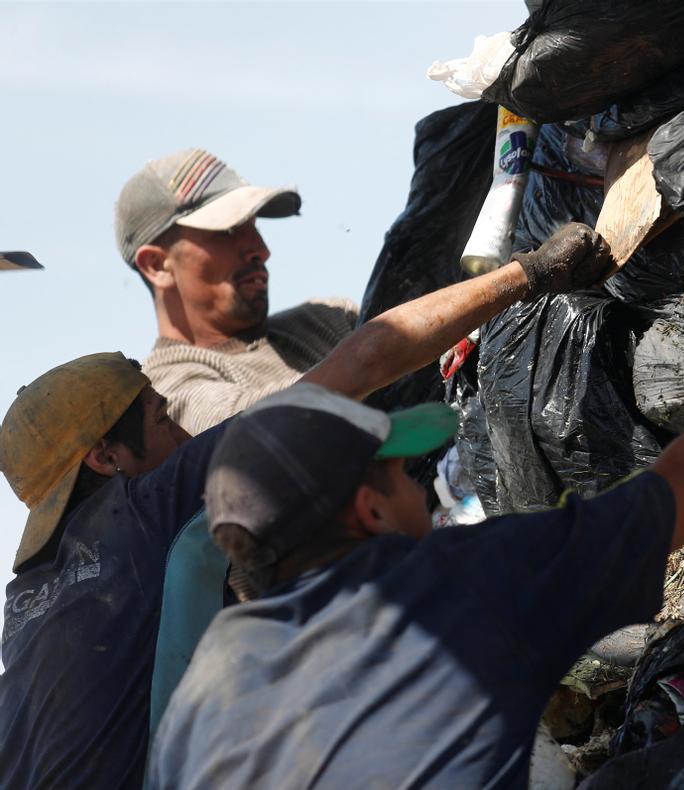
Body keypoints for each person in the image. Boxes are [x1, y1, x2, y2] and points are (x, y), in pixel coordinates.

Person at [148, 287, 684, 789]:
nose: (423, 484)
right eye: (403, 474)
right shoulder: (452, 590)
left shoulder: (201, 694)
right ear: (371, 512)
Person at [0, 223, 612, 790]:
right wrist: (527, 274)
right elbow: (367, 359)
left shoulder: (25, 608)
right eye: (164, 421)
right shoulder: (147, 510)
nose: (184, 439)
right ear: (106, 459)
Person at [115, 148, 357, 435]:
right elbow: (256, 423)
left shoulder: (329, 319)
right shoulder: (164, 397)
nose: (261, 250)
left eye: (253, 225)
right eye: (226, 231)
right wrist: (378, 349)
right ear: (158, 266)